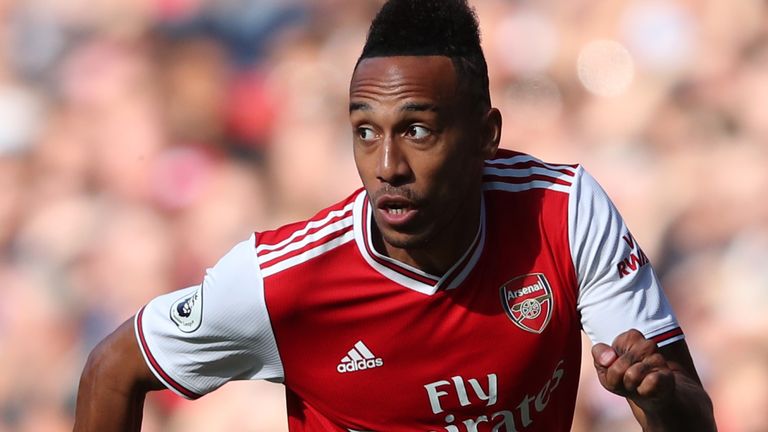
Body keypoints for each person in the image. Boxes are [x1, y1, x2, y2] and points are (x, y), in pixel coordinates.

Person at [74, 0, 716, 430]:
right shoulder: (283, 281)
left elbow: (690, 411)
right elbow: (113, 368)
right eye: (364, 131)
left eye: (417, 130)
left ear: (486, 134)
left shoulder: (564, 213)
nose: (387, 165)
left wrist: (654, 395)